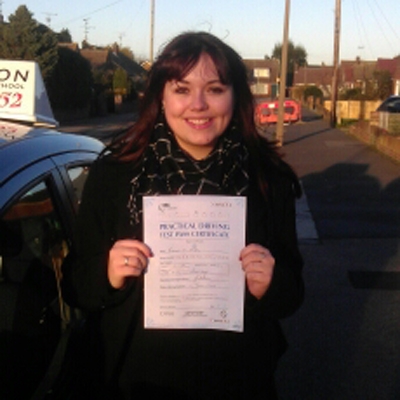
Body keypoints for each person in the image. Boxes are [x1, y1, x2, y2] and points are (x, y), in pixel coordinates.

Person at [62, 31, 304, 400]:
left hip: (238, 383)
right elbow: (76, 286)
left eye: (215, 89)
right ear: (161, 96)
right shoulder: (115, 177)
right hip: (134, 384)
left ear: (235, 95)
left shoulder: (266, 180)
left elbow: (292, 294)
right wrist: (107, 274)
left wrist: (270, 285)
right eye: (181, 89)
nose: (198, 104)